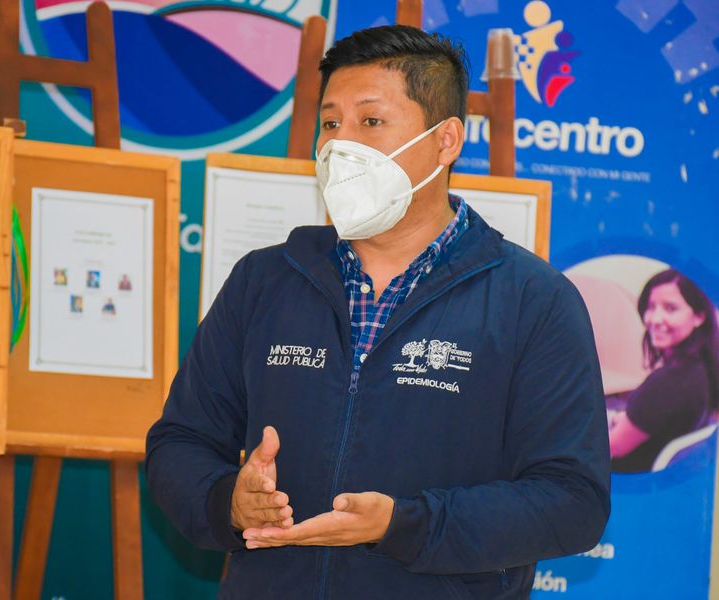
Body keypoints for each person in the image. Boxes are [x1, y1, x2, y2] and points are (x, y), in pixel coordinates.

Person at [146, 25, 610, 599]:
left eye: (370, 121)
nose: (341, 146)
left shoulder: (532, 300)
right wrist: (230, 503)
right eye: (330, 124)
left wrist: (404, 524)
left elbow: (572, 501)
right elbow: (179, 442)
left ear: (446, 141)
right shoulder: (264, 280)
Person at [610, 269, 719, 472]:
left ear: (698, 316)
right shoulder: (702, 370)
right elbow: (657, 418)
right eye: (651, 307)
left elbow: (612, 447)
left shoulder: (669, 382)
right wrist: (625, 418)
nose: (655, 319)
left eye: (670, 308)